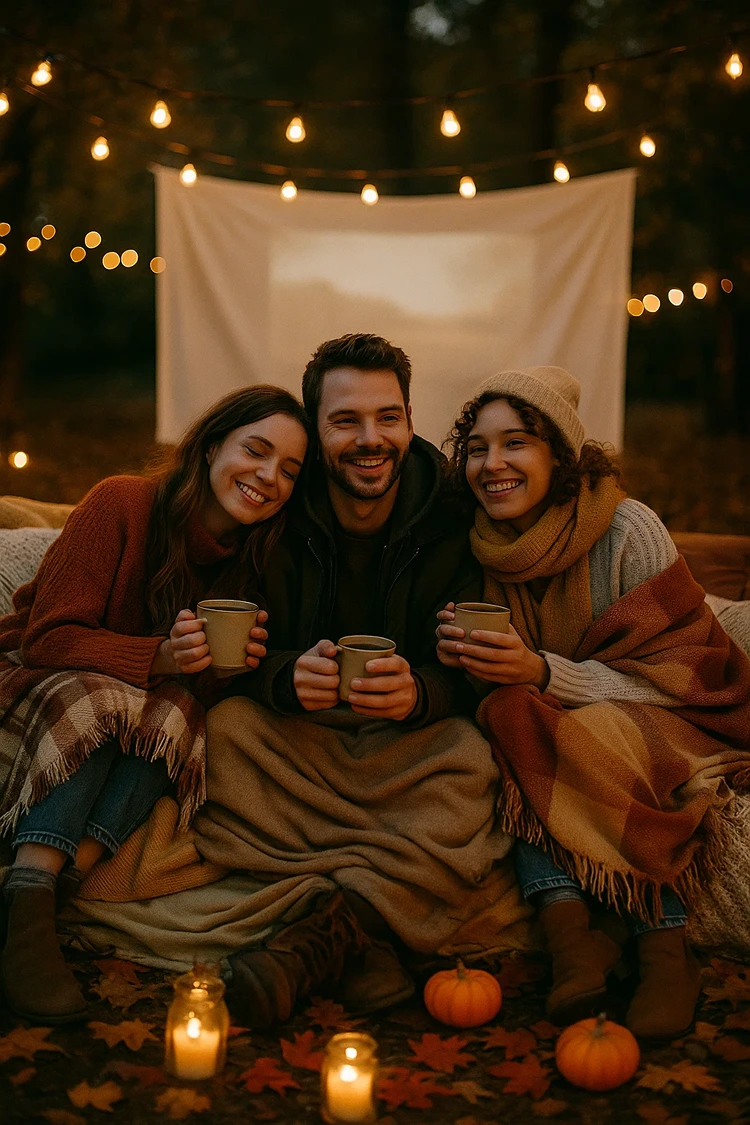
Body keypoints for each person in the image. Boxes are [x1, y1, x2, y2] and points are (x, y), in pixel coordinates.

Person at [189, 333, 520, 1028]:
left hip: (405, 746)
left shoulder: (456, 514)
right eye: (345, 421)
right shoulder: (276, 502)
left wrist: (422, 691)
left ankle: (320, 927)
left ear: (407, 416)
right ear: (316, 428)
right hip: (300, 740)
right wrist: (285, 678)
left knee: (469, 756)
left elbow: (470, 669)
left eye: (387, 417)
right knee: (225, 733)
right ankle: (367, 924)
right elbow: (241, 652)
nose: (371, 439)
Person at [436, 365, 750, 1039]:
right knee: (507, 715)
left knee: (589, 726)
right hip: (553, 716)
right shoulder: (475, 542)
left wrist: (546, 673)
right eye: (478, 447)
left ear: (560, 456)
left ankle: (663, 942)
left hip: (675, 713)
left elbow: (689, 671)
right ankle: (571, 936)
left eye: (515, 443)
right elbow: (497, 689)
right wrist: (465, 661)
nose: (493, 464)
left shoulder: (626, 529)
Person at [0, 385, 309, 1023]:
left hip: (125, 716)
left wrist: (226, 670)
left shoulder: (249, 564)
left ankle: (50, 889)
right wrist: (162, 657)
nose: (268, 477)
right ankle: (29, 879)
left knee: (179, 718)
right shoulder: (124, 502)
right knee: (109, 697)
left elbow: (192, 691)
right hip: (40, 685)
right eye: (256, 450)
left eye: (289, 470)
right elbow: (46, 640)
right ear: (212, 444)